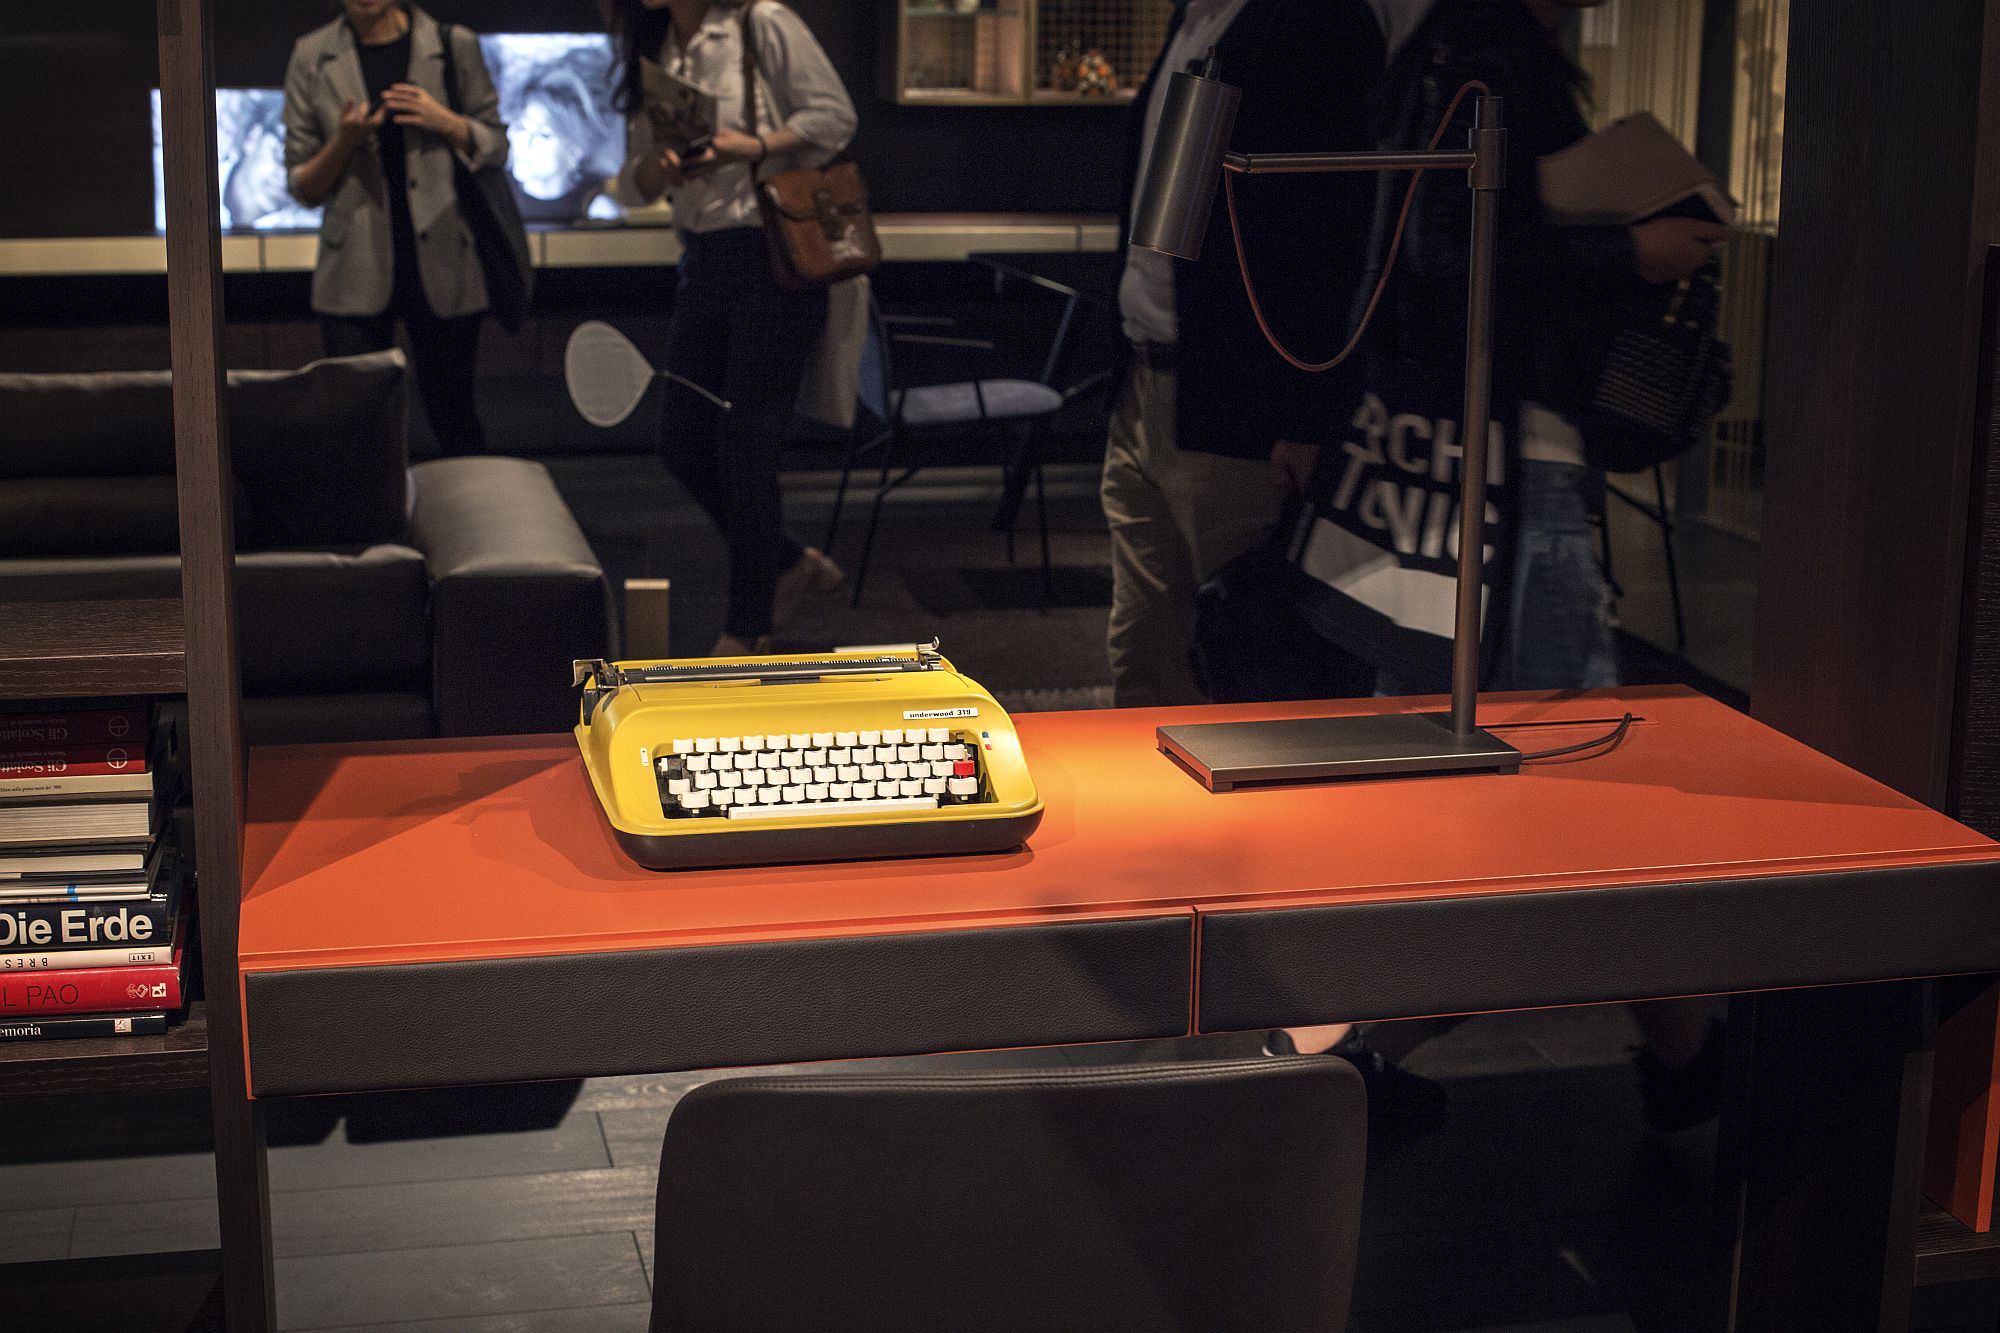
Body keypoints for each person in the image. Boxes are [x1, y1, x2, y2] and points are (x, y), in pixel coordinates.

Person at [1274, 0, 1730, 1126]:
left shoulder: (1432, 49)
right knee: (1578, 788)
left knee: (1484, 787)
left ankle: (1683, 1060)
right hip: (1509, 469)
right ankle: (1344, 1054)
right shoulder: (1495, 56)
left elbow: (1409, 249)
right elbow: (1453, 246)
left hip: (1437, 463)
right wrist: (1627, 246)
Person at [1102, 0, 1386, 710]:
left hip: (1242, 401)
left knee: (1256, 665)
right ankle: (1157, 823)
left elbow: (1334, 228)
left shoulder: (1310, 21)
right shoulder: (1193, 20)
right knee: (1143, 657)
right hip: (1145, 377)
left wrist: (1308, 411)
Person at [606, 0, 855, 656]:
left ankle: (748, 628)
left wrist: (757, 144)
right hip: (702, 259)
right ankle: (783, 560)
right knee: (682, 439)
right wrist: (657, 170)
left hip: (768, 252)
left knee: (746, 442)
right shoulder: (658, 48)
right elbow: (632, 182)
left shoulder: (758, 21)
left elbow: (835, 117)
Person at [283, 0, 508, 458]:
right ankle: (367, 527)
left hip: (445, 254)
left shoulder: (452, 43)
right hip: (353, 264)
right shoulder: (311, 53)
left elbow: (496, 146)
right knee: (354, 425)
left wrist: (444, 120)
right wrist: (343, 141)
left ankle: (463, 524)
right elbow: (302, 185)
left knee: (454, 415)